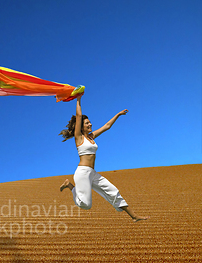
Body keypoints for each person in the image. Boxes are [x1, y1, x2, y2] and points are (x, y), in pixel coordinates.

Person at [59, 94, 149, 222]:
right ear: (81, 126)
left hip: (93, 173)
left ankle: (134, 216)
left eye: (89, 122)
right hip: (83, 173)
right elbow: (79, 116)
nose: (90, 124)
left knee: (112, 190)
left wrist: (118, 114)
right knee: (86, 205)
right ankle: (70, 187)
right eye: (86, 123)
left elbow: (107, 126)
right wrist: (78, 99)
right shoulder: (79, 137)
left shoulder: (91, 137)